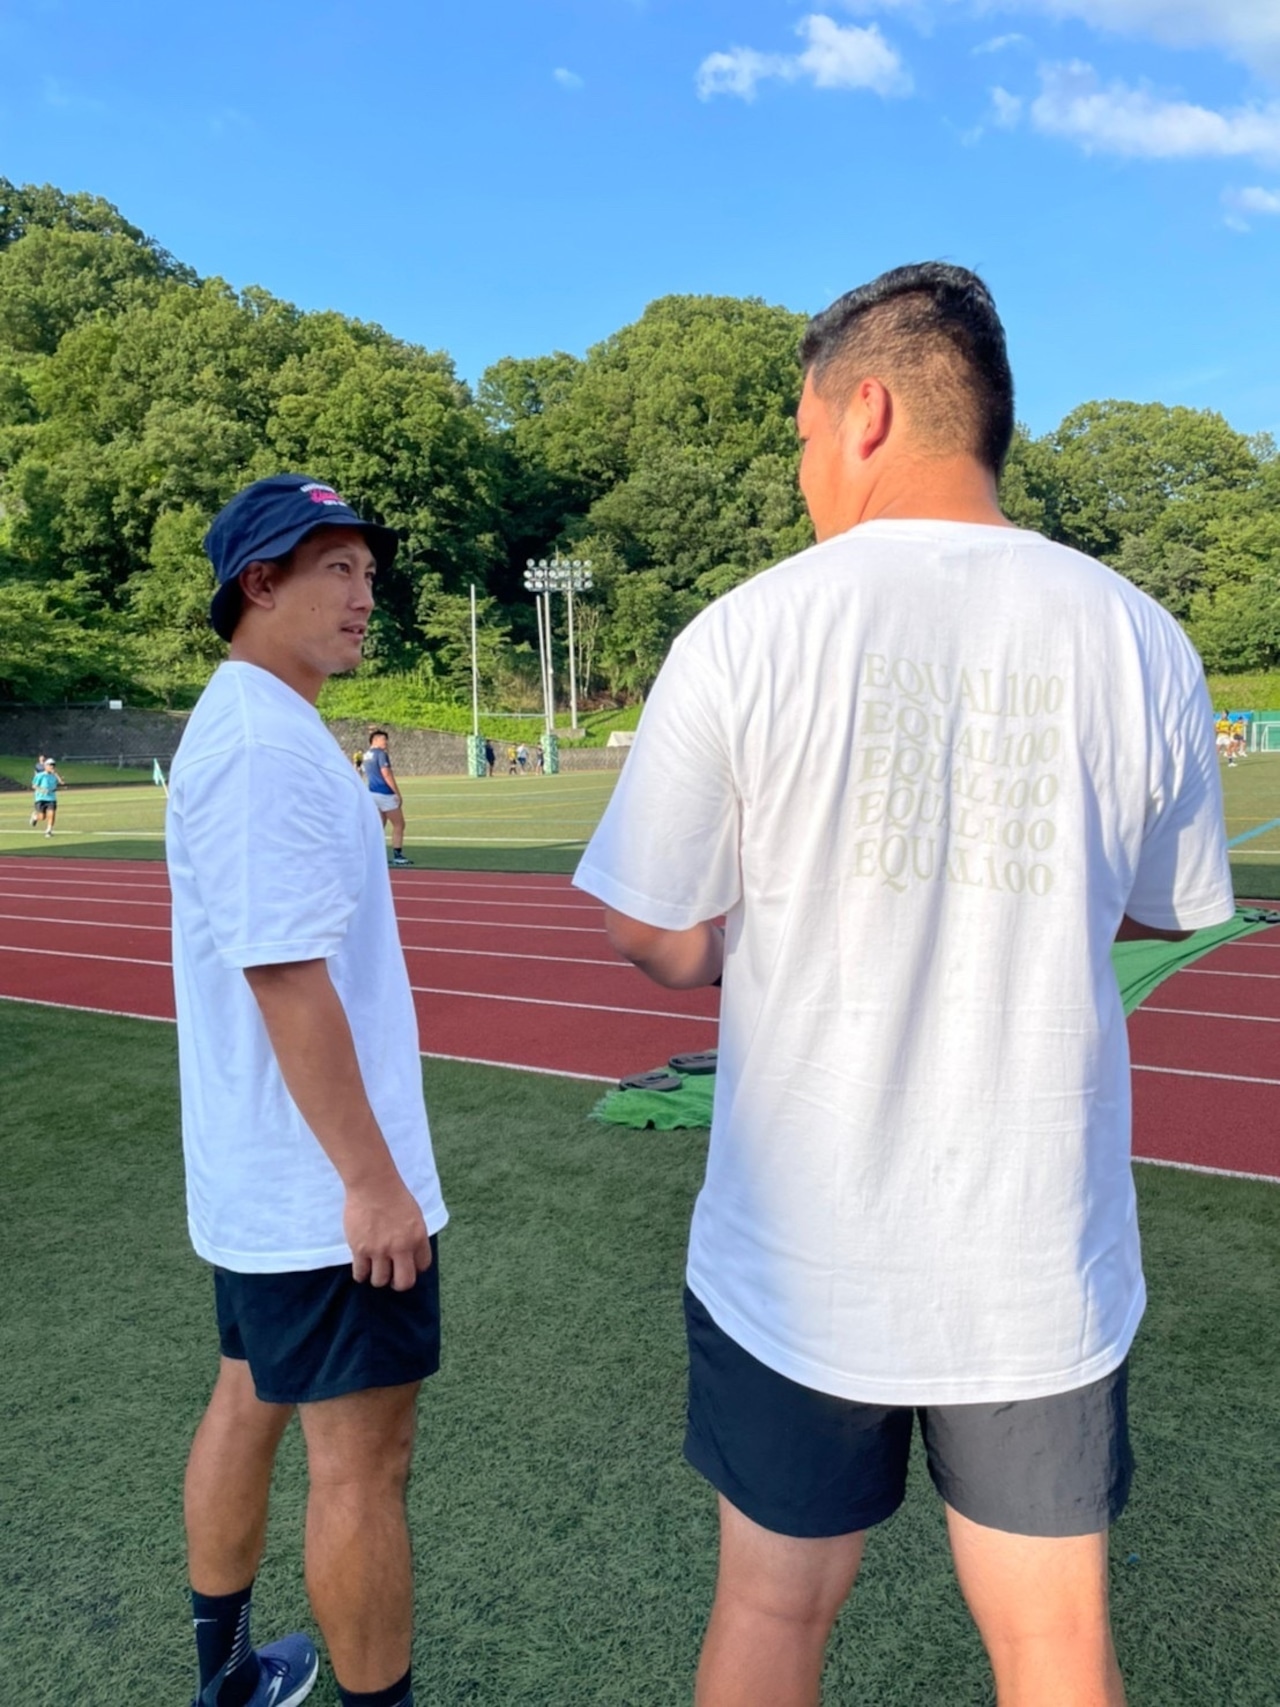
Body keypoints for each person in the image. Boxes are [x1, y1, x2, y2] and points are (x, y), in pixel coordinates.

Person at [573, 263, 1235, 1707]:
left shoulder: (746, 629)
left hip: (796, 1256)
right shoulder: (1138, 635)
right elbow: (1159, 904)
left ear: (865, 410)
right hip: (1035, 1251)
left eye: (803, 433)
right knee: (1053, 1642)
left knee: (770, 1606)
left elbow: (652, 930)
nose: (803, 467)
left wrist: (756, 938)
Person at [168, 473, 448, 1707]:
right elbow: (286, 978)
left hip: (270, 1182)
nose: (362, 594)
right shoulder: (260, 743)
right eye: (334, 568)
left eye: (367, 572)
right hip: (320, 1196)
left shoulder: (260, 723)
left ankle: (227, 1678)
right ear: (258, 583)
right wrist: (372, 1183)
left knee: (249, 1395)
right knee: (361, 1468)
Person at [362, 730, 413, 867]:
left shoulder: (366, 755)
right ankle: (398, 855)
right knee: (399, 824)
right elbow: (386, 774)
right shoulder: (381, 754)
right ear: (376, 740)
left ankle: (372, 854)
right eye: (384, 739)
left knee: (379, 825)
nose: (386, 742)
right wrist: (397, 793)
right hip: (384, 793)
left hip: (372, 792)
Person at [32, 758, 63, 835]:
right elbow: (34, 786)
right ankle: (35, 817)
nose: (52, 766)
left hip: (51, 798)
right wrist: (42, 790)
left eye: (53, 765)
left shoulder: (54, 776)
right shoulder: (40, 775)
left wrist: (56, 788)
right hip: (40, 798)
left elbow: (57, 785)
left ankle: (49, 830)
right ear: (45, 766)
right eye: (50, 765)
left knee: (52, 813)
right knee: (42, 817)